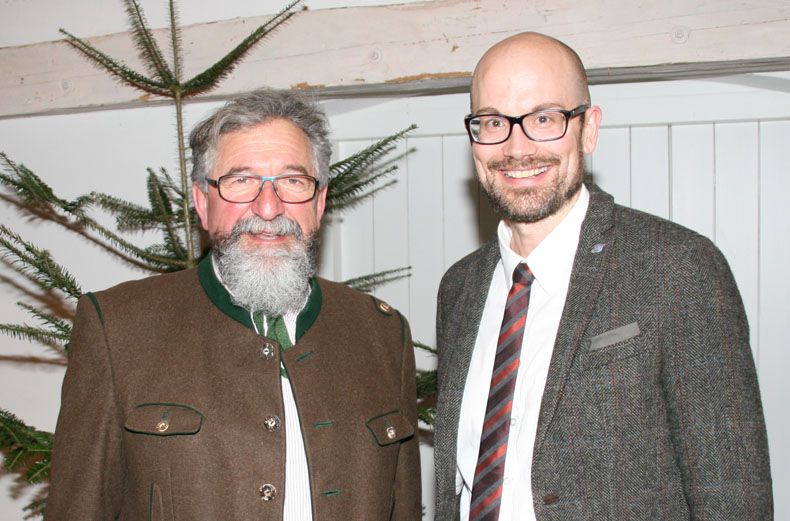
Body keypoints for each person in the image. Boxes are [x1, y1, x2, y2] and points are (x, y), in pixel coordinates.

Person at [434, 32, 772, 521]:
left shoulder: (678, 267)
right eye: (492, 123)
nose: (516, 146)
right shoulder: (459, 288)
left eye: (544, 119)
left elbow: (732, 492)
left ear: (588, 129)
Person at [47, 89, 420, 520]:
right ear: (202, 203)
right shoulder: (119, 328)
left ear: (319, 204)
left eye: (293, 182)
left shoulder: (382, 335)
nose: (267, 207)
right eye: (241, 181)